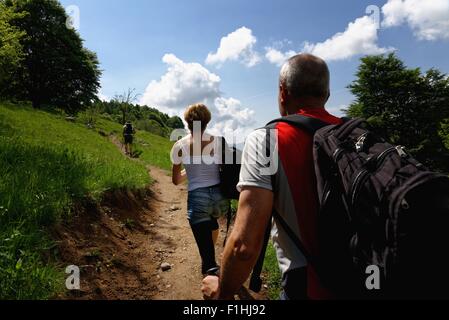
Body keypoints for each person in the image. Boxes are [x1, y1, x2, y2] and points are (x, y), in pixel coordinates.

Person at [201, 54, 343, 300]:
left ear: (282, 93)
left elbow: (244, 247)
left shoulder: (267, 140)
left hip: (308, 285)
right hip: (368, 277)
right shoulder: (355, 136)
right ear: (327, 95)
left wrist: (222, 294)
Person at [171, 104, 230, 275]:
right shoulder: (218, 142)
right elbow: (223, 169)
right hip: (219, 197)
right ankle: (213, 258)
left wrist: (190, 171)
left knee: (208, 262)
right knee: (212, 222)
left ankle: (211, 272)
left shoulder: (179, 145)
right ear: (207, 121)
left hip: (198, 198)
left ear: (187, 122)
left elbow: (175, 181)